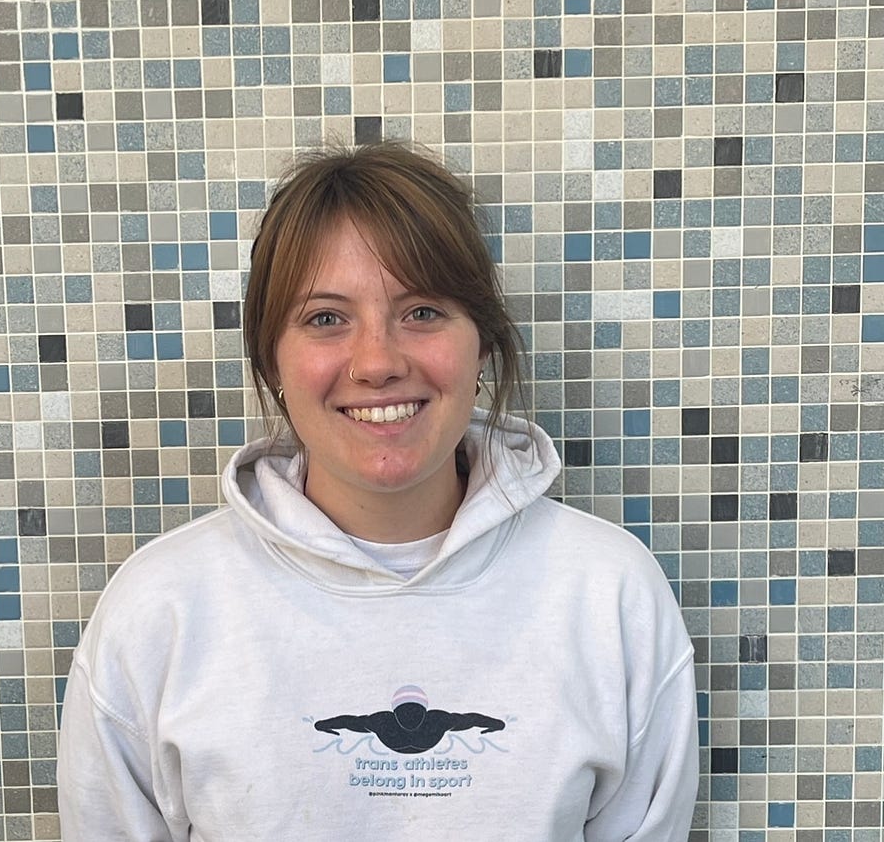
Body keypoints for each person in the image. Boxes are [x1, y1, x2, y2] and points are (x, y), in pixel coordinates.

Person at [57, 142, 699, 840]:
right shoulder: (160, 613)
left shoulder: (611, 597)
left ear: (479, 343)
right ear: (272, 360)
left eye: (421, 311)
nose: (378, 362)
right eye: (326, 318)